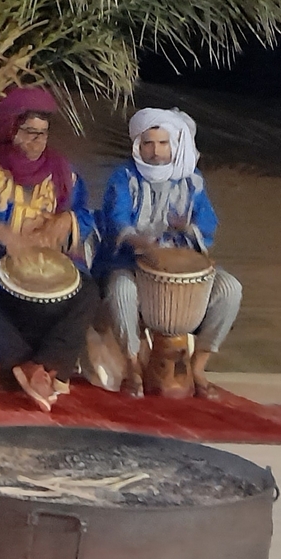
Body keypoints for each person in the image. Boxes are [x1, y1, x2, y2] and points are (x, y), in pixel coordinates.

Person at [0, 86, 98, 412]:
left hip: (53, 261)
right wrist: (3, 232)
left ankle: (45, 364)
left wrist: (67, 219)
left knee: (88, 291)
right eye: (29, 133)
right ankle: (25, 364)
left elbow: (86, 214)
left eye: (43, 134)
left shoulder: (65, 173)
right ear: (10, 131)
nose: (37, 142)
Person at [92, 107, 242, 398]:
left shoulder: (192, 180)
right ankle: (133, 366)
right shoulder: (123, 178)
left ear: (174, 145)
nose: (155, 151)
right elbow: (115, 220)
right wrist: (145, 246)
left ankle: (198, 366)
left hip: (182, 266)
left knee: (230, 289)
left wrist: (186, 227)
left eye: (163, 143)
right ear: (138, 145)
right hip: (131, 263)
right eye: (148, 143)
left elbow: (208, 223)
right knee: (121, 290)